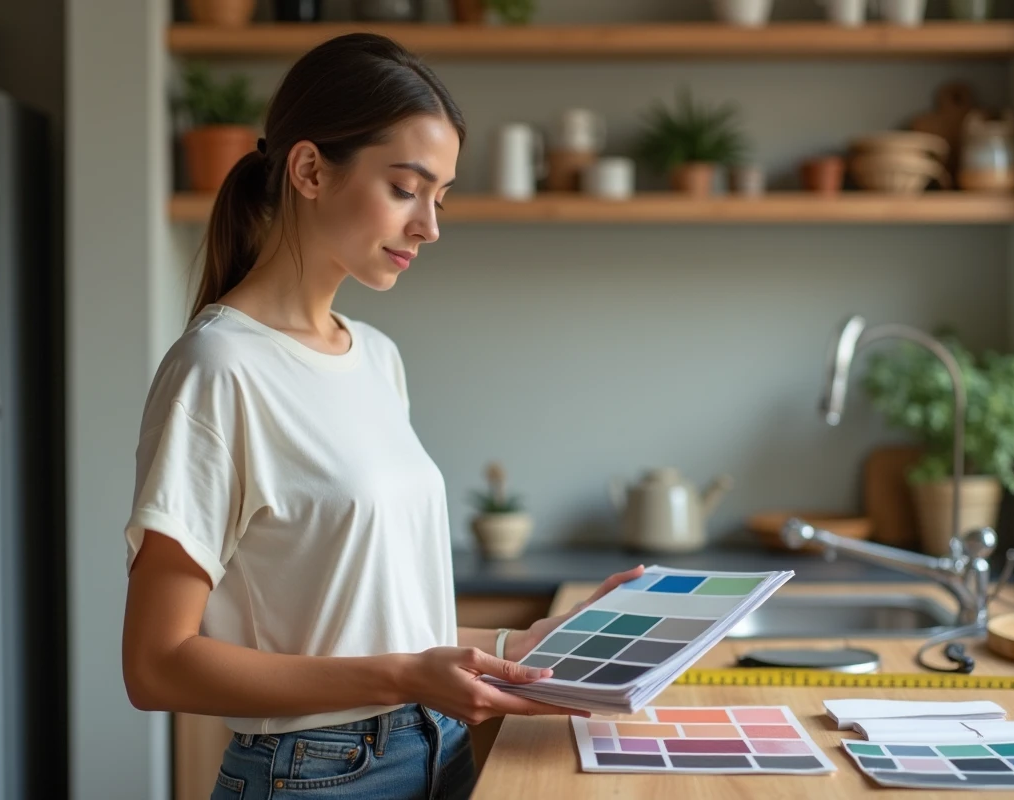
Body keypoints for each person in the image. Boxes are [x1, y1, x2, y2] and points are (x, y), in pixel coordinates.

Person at [120, 32, 644, 800]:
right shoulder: (217, 371)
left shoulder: (375, 357)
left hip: (439, 754)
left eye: (441, 196)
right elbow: (155, 663)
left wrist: (523, 644)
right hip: (316, 776)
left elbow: (370, 624)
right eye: (407, 188)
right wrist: (406, 675)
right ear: (308, 169)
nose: (430, 226)